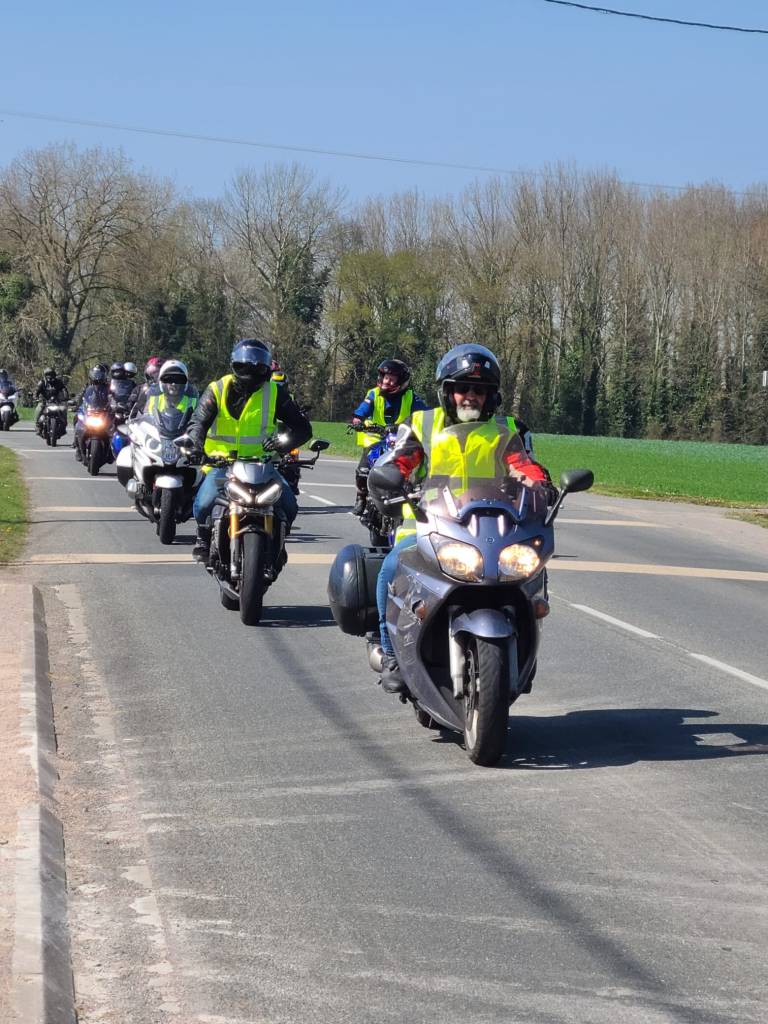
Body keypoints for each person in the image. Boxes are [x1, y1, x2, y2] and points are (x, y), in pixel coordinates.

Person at [368, 343, 552, 694]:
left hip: (494, 528)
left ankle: (524, 650)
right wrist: (391, 476)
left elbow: (525, 466)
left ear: (491, 395)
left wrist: (540, 484)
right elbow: (399, 461)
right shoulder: (422, 424)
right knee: (390, 570)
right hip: (429, 524)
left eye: (479, 390)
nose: (470, 396)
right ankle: (391, 654)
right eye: (462, 388)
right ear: (446, 391)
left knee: (532, 576)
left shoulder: (508, 430)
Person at [178, 339, 312, 561]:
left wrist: (283, 444)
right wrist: (195, 446)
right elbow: (198, 423)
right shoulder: (216, 389)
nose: (250, 371)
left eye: (257, 367)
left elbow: (302, 428)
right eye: (244, 366)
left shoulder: (275, 392)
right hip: (222, 464)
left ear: (266, 369)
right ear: (234, 365)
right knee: (203, 503)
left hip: (262, 464)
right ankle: (203, 537)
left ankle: (278, 544)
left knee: (289, 505)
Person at [351, 358, 428, 516]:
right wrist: (358, 420)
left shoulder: (411, 397)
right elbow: (362, 410)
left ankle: (415, 493)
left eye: (391, 379)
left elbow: (426, 414)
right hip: (375, 438)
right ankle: (361, 497)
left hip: (402, 440)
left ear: (402, 382)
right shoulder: (373, 394)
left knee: (418, 467)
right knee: (363, 470)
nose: (386, 381)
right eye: (385, 377)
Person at [73, 365, 110, 461]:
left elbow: (113, 397)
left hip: (103, 411)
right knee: (77, 419)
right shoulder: (87, 386)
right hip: (89, 410)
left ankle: (111, 451)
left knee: (114, 424)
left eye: (99, 374)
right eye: (96, 374)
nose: (97, 377)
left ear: (104, 375)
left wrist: (115, 405)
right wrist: (75, 402)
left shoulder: (108, 387)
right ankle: (78, 447)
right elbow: (81, 395)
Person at [34, 367, 69, 435]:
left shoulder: (58, 382)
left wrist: (66, 397)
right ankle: (37, 425)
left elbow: (64, 390)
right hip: (44, 401)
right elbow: (36, 391)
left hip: (57, 401)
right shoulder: (42, 382)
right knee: (39, 408)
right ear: (45, 375)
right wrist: (35, 397)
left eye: (51, 374)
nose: (49, 376)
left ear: (54, 375)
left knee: (64, 409)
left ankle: (64, 425)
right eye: (47, 374)